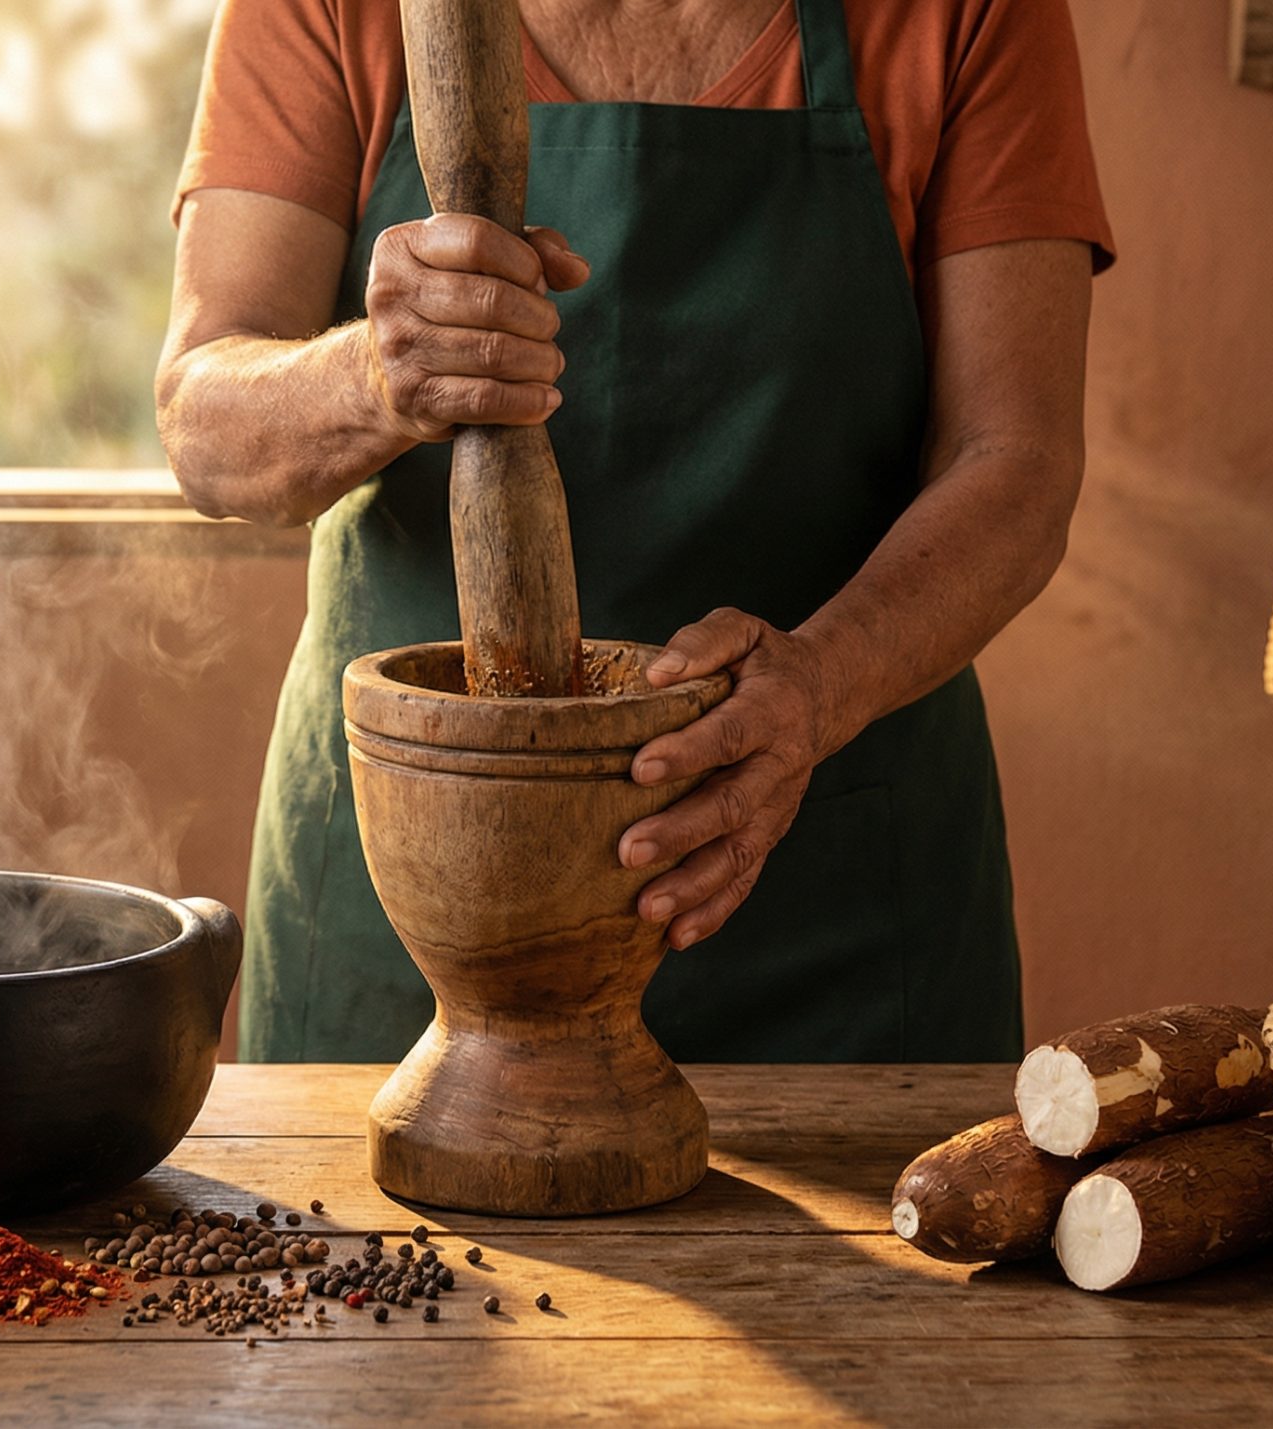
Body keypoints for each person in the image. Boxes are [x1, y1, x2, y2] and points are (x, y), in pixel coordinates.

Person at [156, 0, 1113, 1062]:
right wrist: (375, 373)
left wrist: (820, 688)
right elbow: (206, 428)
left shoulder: (971, 14)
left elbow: (1015, 462)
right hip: (416, 912)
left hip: (827, 895)